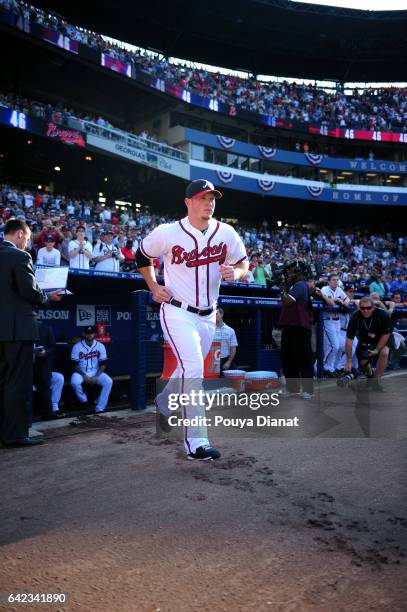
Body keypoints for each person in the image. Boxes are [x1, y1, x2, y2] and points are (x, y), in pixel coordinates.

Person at [136, 179, 248, 461]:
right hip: (176, 310)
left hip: (209, 315)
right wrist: (153, 285)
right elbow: (142, 253)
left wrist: (238, 273)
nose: (209, 202)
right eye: (202, 198)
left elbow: (244, 262)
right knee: (195, 369)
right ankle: (196, 443)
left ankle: (164, 400)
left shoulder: (226, 232)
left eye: (212, 197)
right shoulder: (168, 232)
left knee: (188, 368)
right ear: (188, 202)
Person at [0, 219, 62, 447]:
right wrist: (49, 298)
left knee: (3, 381)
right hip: (18, 330)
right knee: (17, 383)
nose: (27, 244)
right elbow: (30, 291)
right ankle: (15, 435)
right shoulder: (20, 256)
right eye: (26, 238)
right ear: (18, 235)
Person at [278, 261, 317, 399]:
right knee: (288, 358)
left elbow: (287, 300)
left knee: (304, 359)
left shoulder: (300, 285)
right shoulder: (294, 285)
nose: (288, 274)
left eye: (291, 272)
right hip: (290, 325)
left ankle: (308, 390)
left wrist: (282, 289)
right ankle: (292, 388)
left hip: (300, 327)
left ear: (298, 273)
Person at [345, 296, 392, 392]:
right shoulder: (355, 316)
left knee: (384, 353)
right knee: (363, 363)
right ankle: (370, 375)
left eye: (368, 308)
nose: (365, 310)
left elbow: (386, 334)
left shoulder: (382, 314)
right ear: (359, 308)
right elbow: (349, 339)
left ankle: (376, 383)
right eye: (362, 308)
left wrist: (376, 350)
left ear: (373, 307)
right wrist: (349, 359)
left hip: (382, 337)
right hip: (365, 339)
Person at [71, 326, 112, 413]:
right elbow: (74, 365)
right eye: (87, 333)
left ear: (95, 334)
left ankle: (100, 407)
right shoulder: (77, 347)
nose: (89, 335)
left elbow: (103, 364)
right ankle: (83, 400)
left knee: (108, 381)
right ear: (84, 334)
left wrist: (96, 376)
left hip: (95, 371)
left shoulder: (100, 346)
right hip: (81, 372)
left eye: (91, 333)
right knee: (74, 382)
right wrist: (84, 375)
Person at [33, 320, 65, 418]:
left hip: (41, 365)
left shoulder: (45, 328)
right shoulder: (20, 327)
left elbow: (53, 347)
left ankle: (51, 411)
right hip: (25, 367)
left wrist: (45, 353)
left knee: (49, 385)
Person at [320, 273, 350, 377]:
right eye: (333, 280)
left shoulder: (339, 290)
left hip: (337, 321)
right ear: (328, 281)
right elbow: (329, 302)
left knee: (339, 346)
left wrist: (343, 301)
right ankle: (321, 367)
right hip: (327, 320)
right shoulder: (324, 289)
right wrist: (337, 300)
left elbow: (347, 300)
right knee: (333, 346)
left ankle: (331, 368)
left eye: (337, 280)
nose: (336, 281)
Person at [214, 307, 238, 372]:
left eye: (216, 314)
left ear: (221, 314)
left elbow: (233, 347)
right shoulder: (209, 330)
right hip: (212, 361)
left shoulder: (230, 331)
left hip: (225, 360)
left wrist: (229, 362)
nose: (214, 316)